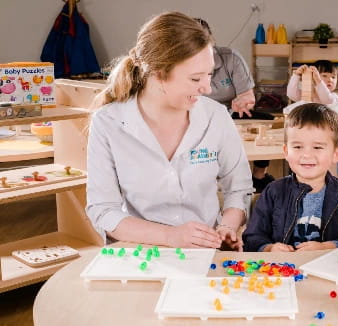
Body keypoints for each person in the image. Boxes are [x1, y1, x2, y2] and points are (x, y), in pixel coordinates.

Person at [86, 12, 253, 250]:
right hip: (142, 253)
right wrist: (169, 236)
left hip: (206, 252)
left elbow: (239, 188)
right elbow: (103, 210)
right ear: (159, 74)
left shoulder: (215, 116)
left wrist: (227, 227)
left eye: (209, 74)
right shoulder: (109, 122)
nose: (207, 88)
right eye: (196, 79)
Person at [242, 103, 338, 252]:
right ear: (286, 151)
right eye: (297, 147)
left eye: (317, 147)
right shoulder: (273, 191)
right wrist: (270, 248)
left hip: (324, 269)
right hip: (281, 270)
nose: (307, 155)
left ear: (336, 153)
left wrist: (326, 247)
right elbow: (252, 238)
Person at [194, 18, 274, 193]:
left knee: (266, 121)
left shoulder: (231, 58)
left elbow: (247, 96)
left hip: (229, 112)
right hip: (195, 114)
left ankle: (259, 175)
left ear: (210, 41)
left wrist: (243, 102)